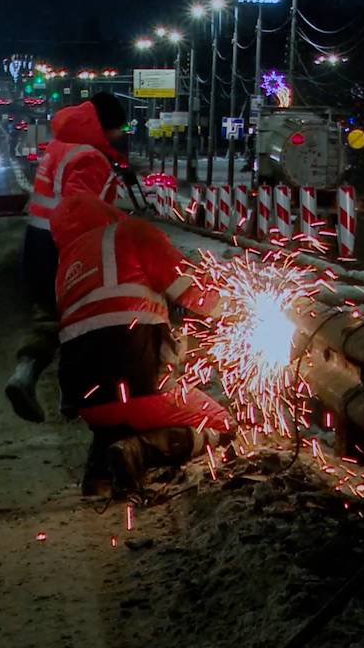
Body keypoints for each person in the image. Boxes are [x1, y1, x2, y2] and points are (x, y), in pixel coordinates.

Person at [48, 194, 229, 495]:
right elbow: (196, 293)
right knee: (223, 425)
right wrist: (238, 308)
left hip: (87, 404)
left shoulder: (66, 264)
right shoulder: (133, 232)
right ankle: (139, 451)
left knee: (119, 408)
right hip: (142, 387)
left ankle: (101, 471)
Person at [6, 93, 127, 422]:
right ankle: (73, 398)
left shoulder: (62, 144)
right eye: (118, 128)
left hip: (37, 243)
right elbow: (81, 211)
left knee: (46, 316)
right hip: (65, 246)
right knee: (81, 321)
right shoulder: (89, 157)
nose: (121, 134)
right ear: (105, 126)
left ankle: (24, 375)